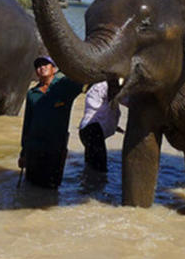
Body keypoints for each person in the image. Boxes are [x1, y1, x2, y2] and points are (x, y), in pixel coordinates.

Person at [18, 55, 85, 189]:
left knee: (51, 188)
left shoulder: (64, 87)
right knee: (31, 186)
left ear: (54, 69)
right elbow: (27, 124)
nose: (41, 68)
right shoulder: (32, 93)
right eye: (38, 66)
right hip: (34, 148)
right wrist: (23, 152)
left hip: (55, 148)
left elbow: (82, 78)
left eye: (45, 64)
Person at [79, 81, 122, 172]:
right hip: (93, 131)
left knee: (91, 167)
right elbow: (127, 100)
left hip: (90, 131)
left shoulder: (104, 90)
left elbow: (100, 112)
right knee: (100, 170)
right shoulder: (101, 86)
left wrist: (115, 127)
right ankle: (97, 185)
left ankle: (87, 184)